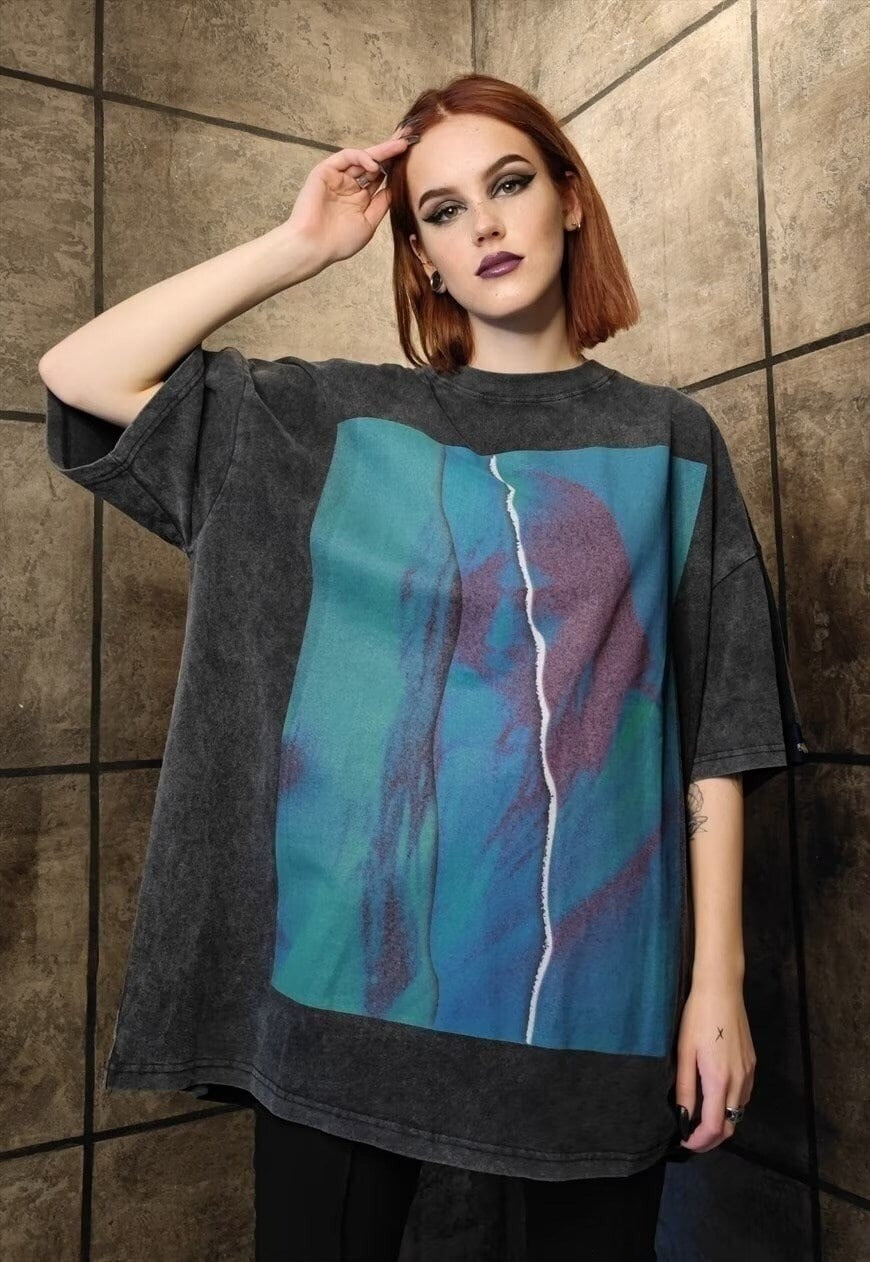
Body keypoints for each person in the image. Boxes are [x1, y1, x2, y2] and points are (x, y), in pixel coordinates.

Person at [39, 72, 808, 1261]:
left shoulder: (669, 438)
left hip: (592, 995)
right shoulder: (330, 419)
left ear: (569, 199)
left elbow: (719, 724)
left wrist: (720, 981)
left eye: (509, 184)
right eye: (442, 210)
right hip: (350, 989)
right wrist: (301, 245)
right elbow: (82, 372)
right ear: (422, 256)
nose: (484, 224)